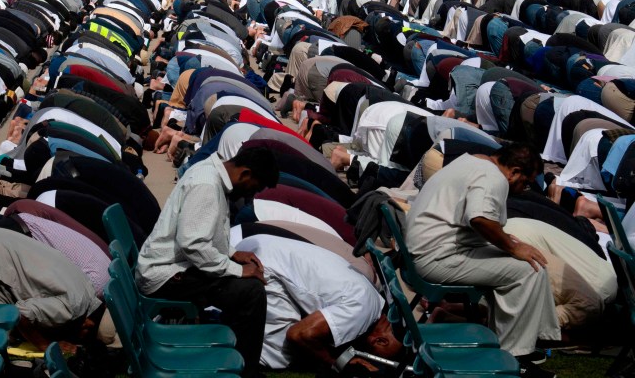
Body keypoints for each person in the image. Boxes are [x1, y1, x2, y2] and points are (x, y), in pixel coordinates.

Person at [405, 144, 560, 374]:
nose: (524, 188)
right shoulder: (493, 177)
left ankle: (519, 342)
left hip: (426, 250)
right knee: (530, 269)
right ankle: (515, 356)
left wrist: (507, 241)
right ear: (514, 171)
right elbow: (479, 218)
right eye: (525, 182)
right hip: (436, 257)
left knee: (523, 260)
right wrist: (511, 247)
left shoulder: (473, 160)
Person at [136, 143, 279, 377]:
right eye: (256, 187)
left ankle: (234, 357)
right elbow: (193, 244)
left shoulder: (211, 174)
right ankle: (245, 370)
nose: (252, 194)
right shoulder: (207, 185)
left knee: (243, 288)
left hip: (174, 265)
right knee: (250, 292)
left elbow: (205, 232)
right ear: (246, 174)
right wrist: (236, 269)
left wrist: (232, 253)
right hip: (165, 273)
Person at [235, 235, 402, 371]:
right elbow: (299, 334)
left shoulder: (373, 300)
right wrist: (337, 363)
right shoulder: (361, 311)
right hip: (263, 263)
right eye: (378, 356)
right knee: (280, 356)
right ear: (380, 341)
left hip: (258, 246)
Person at [0, 228, 104, 353]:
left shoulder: (86, 286)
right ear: (88, 324)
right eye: (85, 334)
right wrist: (46, 345)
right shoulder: (74, 306)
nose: (81, 337)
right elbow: (21, 314)